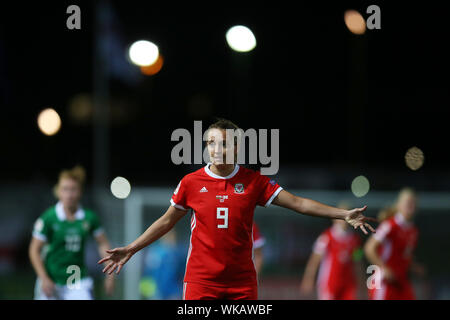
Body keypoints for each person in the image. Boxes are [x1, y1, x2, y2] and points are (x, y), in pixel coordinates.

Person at [99, 119, 376, 300]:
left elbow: (298, 203)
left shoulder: (254, 182)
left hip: (241, 283)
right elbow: (166, 222)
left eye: (223, 143)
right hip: (201, 282)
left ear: (236, 147)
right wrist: (132, 248)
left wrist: (343, 214)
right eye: (210, 143)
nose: (216, 149)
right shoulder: (191, 183)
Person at [29, 165, 115, 299]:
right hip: (51, 279)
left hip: (76, 280)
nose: (69, 194)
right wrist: (44, 278)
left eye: (73, 189)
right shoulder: (49, 217)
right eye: (65, 189)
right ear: (58, 191)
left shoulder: (89, 217)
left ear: (80, 191)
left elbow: (103, 244)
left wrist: (110, 275)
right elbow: (34, 249)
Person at [364, 188, 424, 300]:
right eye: (408, 202)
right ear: (399, 205)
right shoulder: (390, 226)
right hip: (383, 282)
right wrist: (384, 268)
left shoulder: (413, 231)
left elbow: (404, 255)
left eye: (413, 203)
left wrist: (414, 266)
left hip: (400, 281)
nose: (411, 206)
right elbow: (369, 248)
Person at [299, 202, 365, 300]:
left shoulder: (355, 240)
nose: (344, 221)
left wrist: (362, 282)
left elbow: (358, 262)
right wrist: (308, 279)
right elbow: (314, 261)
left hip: (348, 285)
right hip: (329, 284)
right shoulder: (326, 237)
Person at [140, 229, 185, 299]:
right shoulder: (154, 252)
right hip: (157, 293)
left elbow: (182, 274)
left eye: (172, 236)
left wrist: (179, 291)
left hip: (174, 293)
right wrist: (151, 292)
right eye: (167, 236)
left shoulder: (178, 253)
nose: (170, 239)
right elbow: (148, 274)